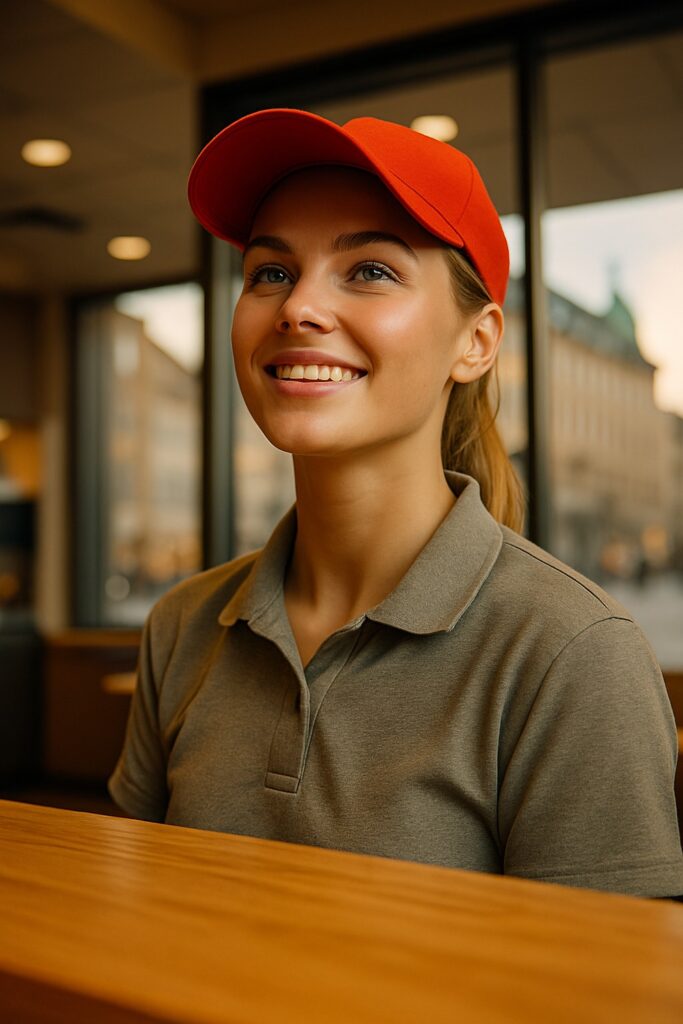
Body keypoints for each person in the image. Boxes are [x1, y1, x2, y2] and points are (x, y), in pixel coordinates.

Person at [108, 109, 683, 898]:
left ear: (474, 343)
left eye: (370, 270)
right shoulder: (181, 625)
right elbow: (127, 919)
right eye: (270, 272)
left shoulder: (570, 651)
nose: (296, 308)